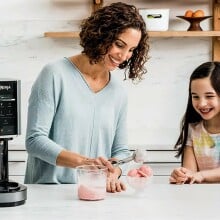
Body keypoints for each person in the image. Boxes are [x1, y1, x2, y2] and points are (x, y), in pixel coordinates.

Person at [24, 2, 149, 193]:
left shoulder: (118, 93)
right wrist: (84, 163)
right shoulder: (55, 74)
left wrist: (114, 172)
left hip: (95, 193)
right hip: (47, 192)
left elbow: (121, 150)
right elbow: (35, 141)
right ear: (101, 35)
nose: (124, 56)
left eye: (131, 50)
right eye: (119, 44)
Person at [170, 62, 220, 184]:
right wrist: (182, 175)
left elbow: (197, 175)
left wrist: (201, 175)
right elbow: (190, 173)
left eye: (209, 96)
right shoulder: (193, 130)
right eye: (195, 96)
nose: (201, 103)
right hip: (200, 200)